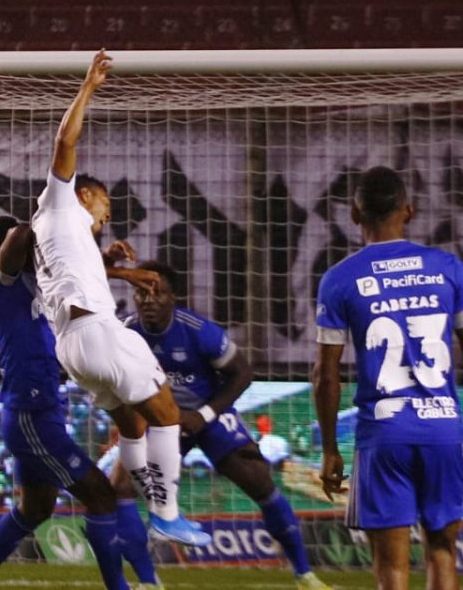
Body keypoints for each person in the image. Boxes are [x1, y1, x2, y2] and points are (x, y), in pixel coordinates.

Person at [27, 49, 209, 546]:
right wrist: (88, 85)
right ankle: (167, 513)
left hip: (72, 347)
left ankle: (142, 502)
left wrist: (116, 266)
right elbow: (65, 139)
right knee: (167, 414)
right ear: (85, 195)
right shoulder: (62, 200)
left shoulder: (52, 230)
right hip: (99, 333)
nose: (108, 214)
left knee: (131, 427)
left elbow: (74, 270)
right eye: (105, 204)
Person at [0, 217, 161, 590]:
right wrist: (50, 213)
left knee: (36, 508)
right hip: (31, 414)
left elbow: (75, 277)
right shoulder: (2, 279)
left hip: (40, 409)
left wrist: (103, 260)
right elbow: (18, 237)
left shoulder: (40, 284)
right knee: (100, 494)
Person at [121, 260, 329, 589]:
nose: (148, 300)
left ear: (173, 298)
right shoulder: (125, 333)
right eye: (141, 292)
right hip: (162, 422)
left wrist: (203, 415)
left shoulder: (198, 331)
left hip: (206, 413)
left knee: (260, 482)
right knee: (121, 491)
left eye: (157, 292)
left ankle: (305, 574)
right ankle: (148, 581)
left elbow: (242, 374)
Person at [314, 166, 463, 590]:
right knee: (442, 553)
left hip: (384, 433)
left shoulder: (340, 279)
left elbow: (326, 375)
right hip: (443, 430)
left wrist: (329, 450)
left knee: (392, 570)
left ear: (355, 216)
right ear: (409, 211)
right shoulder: (448, 268)